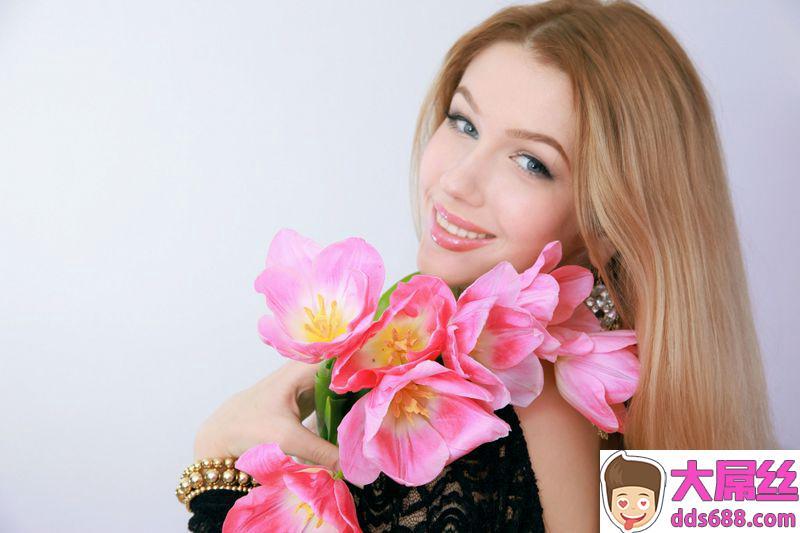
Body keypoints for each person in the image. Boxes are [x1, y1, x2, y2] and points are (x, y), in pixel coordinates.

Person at [179, 0, 777, 531]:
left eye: (530, 162)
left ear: (606, 224)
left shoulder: (491, 417)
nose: (457, 181)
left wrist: (214, 468)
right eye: (464, 124)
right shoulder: (642, 447)